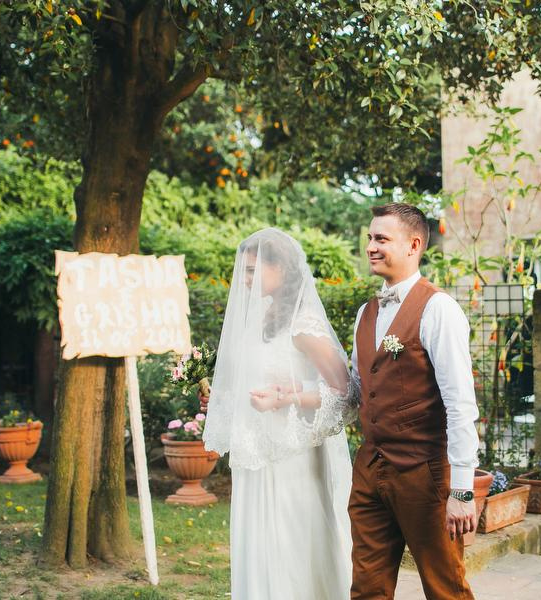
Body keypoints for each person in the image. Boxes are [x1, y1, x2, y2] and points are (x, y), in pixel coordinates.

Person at [202, 228, 357, 600]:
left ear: (283, 270)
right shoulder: (261, 317)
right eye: (245, 271)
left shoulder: (304, 324)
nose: (246, 280)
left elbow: (346, 392)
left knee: (288, 543)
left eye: (253, 271)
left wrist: (286, 398)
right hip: (256, 454)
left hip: (292, 459)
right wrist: (228, 399)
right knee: (257, 540)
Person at [349, 203, 480, 600]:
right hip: (370, 471)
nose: (371, 246)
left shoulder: (439, 309)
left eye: (381, 239)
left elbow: (460, 403)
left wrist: (461, 491)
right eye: (370, 238)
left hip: (424, 475)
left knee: (445, 588)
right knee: (366, 588)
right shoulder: (365, 313)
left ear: (414, 245)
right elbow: (356, 389)